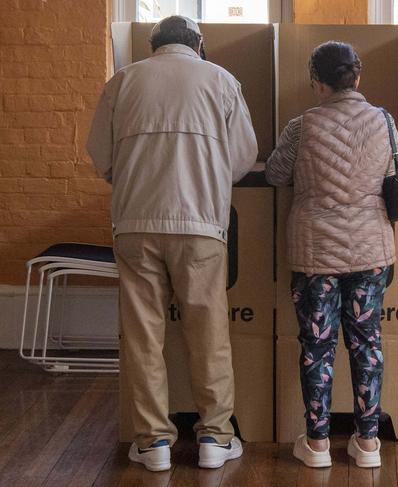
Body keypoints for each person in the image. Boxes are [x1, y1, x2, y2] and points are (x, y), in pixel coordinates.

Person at [86, 15, 257, 471]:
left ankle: (153, 442)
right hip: (201, 223)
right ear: (200, 44)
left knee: (143, 335)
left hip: (136, 224)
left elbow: (101, 155)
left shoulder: (122, 81)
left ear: (151, 44)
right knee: (208, 332)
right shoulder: (221, 81)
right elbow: (243, 158)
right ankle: (215, 438)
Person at [266, 41, 398, 469]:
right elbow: (396, 172)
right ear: (357, 77)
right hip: (369, 251)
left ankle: (318, 444)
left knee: (317, 347)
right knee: (367, 345)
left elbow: (274, 174)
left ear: (316, 82)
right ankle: (367, 444)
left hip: (316, 256)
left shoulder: (300, 126)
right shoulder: (384, 121)